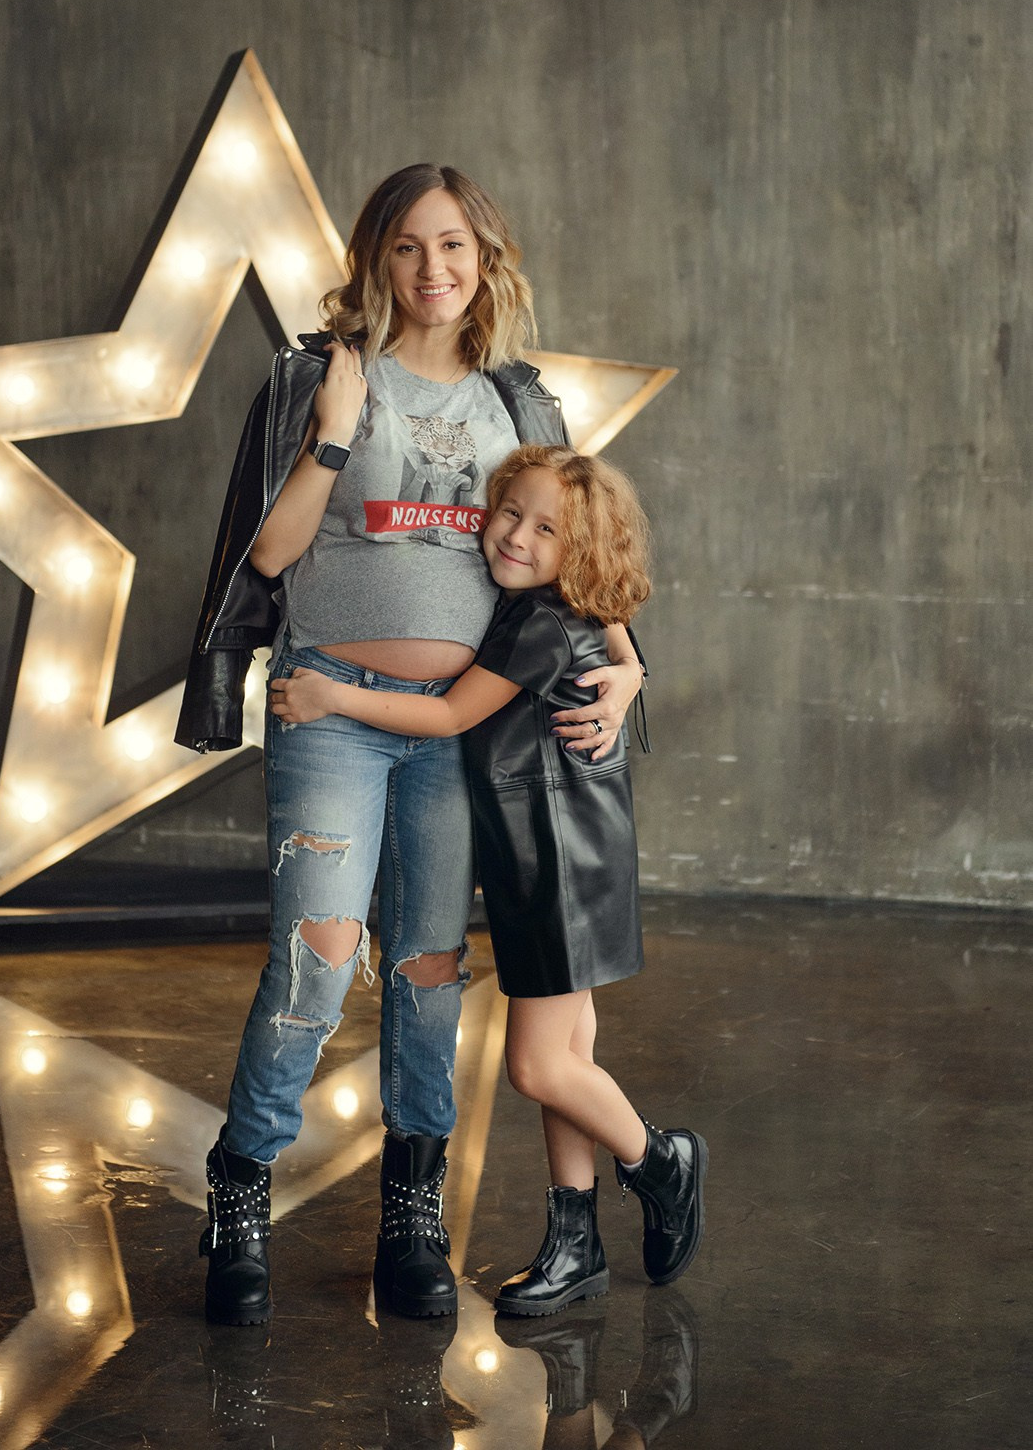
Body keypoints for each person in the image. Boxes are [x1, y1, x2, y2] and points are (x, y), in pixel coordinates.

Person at [174, 164, 647, 1325]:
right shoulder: (317, 377)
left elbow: (579, 549)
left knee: (429, 974)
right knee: (318, 961)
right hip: (331, 705)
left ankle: (412, 1213)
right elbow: (269, 557)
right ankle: (239, 1196)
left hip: (464, 734)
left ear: (484, 260)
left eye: (454, 247)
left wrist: (628, 664)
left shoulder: (519, 402)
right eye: (405, 249)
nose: (432, 271)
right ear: (373, 260)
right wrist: (332, 442)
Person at [271, 443, 707, 1316]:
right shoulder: (541, 607)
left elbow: (446, 715)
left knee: (538, 1068)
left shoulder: (542, 625)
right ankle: (575, 1245)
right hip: (548, 859)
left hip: (559, 869)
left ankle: (661, 1160)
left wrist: (334, 697)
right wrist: (630, 669)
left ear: (577, 552)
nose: (515, 537)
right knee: (570, 1060)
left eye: (546, 530)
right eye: (509, 513)